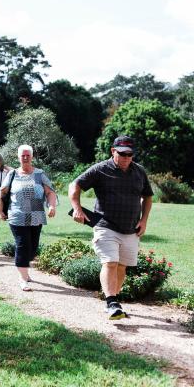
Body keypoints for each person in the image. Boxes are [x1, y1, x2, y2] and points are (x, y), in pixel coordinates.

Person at [69, 135, 153, 321]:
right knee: (110, 262)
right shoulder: (100, 169)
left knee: (122, 267)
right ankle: (112, 302)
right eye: (122, 154)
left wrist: (144, 220)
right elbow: (75, 185)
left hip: (131, 229)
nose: (126, 158)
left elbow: (147, 197)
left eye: (130, 154)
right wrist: (77, 209)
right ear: (113, 151)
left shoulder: (139, 171)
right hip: (105, 226)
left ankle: (113, 301)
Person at [0, 145, 57, 291]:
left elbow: (50, 192)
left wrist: (52, 206)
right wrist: (0, 210)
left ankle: (25, 270)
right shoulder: (12, 174)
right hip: (17, 216)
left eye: (27, 155)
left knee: (33, 247)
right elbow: (3, 193)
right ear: (18, 157)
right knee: (22, 245)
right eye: (22, 155)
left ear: (32, 157)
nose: (25, 158)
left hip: (36, 216)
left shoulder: (39, 174)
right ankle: (23, 278)